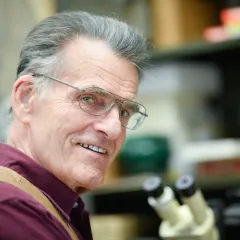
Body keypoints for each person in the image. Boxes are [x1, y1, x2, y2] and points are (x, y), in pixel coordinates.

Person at [0, 10, 148, 240]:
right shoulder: (9, 210)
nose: (114, 129)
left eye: (125, 111)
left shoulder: (53, 205)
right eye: (89, 99)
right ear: (26, 98)